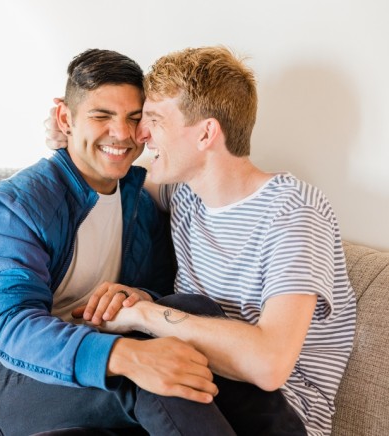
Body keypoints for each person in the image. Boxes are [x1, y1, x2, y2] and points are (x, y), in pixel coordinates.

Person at [46, 46, 356, 436]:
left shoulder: (293, 211)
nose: (140, 134)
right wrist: (72, 137)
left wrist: (145, 314)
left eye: (154, 119)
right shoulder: (184, 194)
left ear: (207, 133)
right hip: (183, 398)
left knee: (180, 309)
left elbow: (270, 363)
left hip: (276, 416)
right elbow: (112, 168)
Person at [0, 48, 225, 436]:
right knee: (141, 376)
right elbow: (13, 327)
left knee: (196, 316)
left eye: (134, 119)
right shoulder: (17, 204)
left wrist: (138, 297)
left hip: (81, 362)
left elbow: (160, 288)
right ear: (65, 118)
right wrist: (126, 355)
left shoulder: (140, 205)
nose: (123, 134)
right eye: (102, 116)